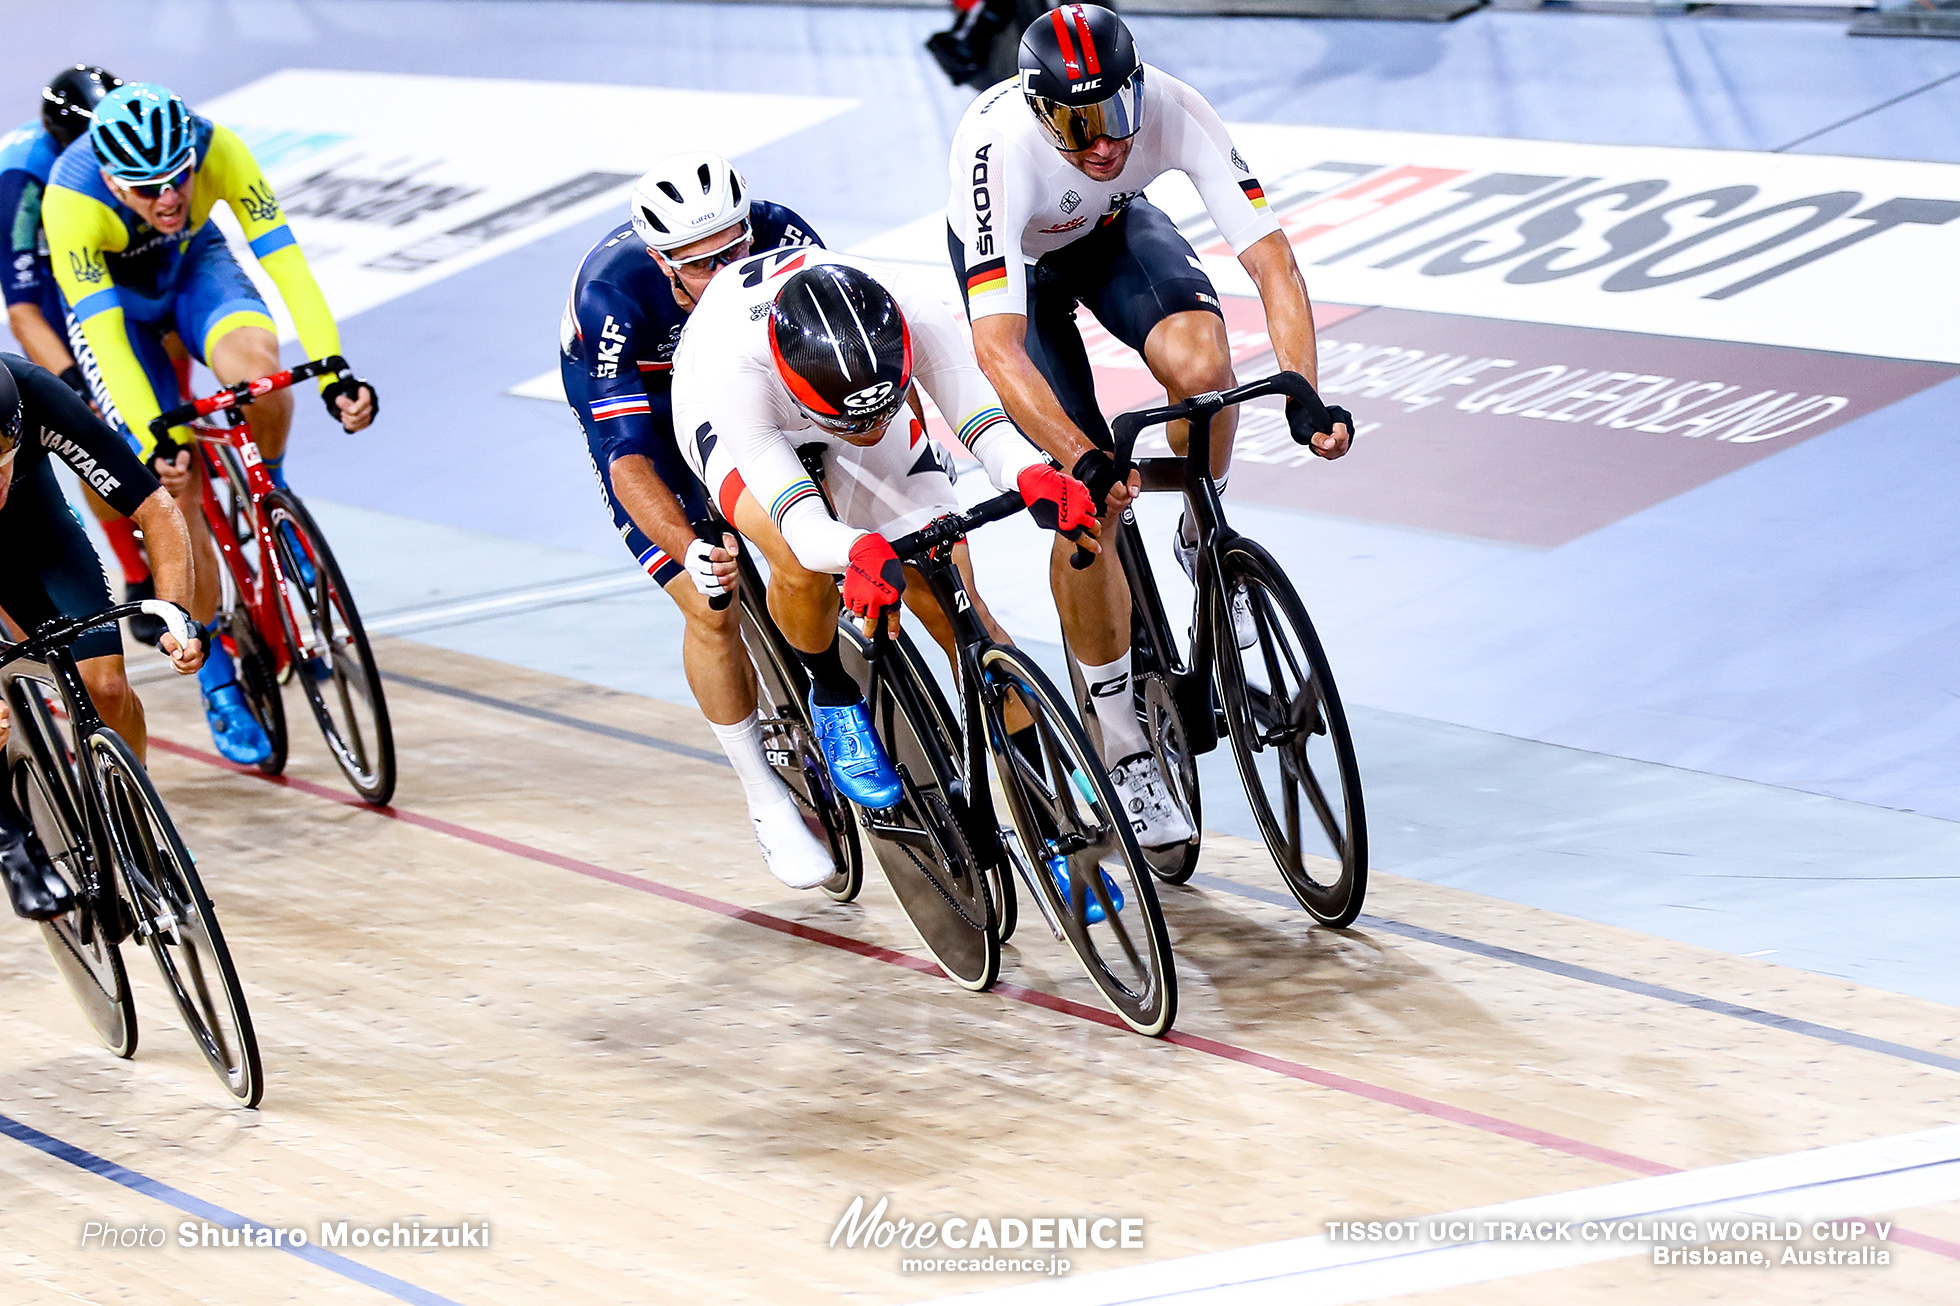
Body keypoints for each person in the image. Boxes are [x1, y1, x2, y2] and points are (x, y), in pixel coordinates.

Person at [671, 249, 1194, 851]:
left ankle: (1047, 816)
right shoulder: (733, 375)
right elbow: (804, 524)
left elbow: (982, 421)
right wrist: (858, 548)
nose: (867, 429)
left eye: (882, 409)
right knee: (795, 560)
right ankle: (831, 690)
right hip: (738, 420)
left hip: (851, 389)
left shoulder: (911, 308)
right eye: (853, 423)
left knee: (957, 603)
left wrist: (1032, 474)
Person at [947, 4, 1354, 670]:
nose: (1104, 145)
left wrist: (1304, 391)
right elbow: (997, 347)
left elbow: (1271, 258)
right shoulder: (998, 150)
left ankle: (1202, 533)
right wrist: (1082, 457)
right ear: (1043, 115)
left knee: (1202, 367)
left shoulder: (1173, 104)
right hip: (1021, 269)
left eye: (1115, 116)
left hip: (1111, 233)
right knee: (1086, 509)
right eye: (1079, 127)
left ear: (1137, 88)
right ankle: (1117, 732)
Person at [41, 82, 376, 766]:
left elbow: (286, 264)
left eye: (177, 179)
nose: (167, 198)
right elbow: (104, 338)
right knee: (177, 485)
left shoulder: (219, 147)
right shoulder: (70, 202)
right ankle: (217, 673)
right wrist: (153, 433)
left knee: (259, 374)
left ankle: (271, 495)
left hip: (197, 271)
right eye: (145, 188)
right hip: (121, 317)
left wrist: (334, 366)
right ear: (109, 179)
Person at [559, 151, 839, 890]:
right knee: (712, 603)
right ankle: (763, 794)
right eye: (701, 265)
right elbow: (628, 461)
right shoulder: (612, 297)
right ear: (662, 262)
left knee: (825, 527)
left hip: (747, 376)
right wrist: (688, 548)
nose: (725, 271)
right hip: (647, 407)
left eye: (735, 251)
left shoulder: (784, 236)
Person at [0, 352, 203, 920]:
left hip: (37, 528)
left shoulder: (38, 395)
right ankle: (17, 850)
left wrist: (175, 614)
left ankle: (137, 819)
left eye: (0, 457)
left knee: (107, 688)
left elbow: (156, 511)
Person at [0, 66, 168, 644]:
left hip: (119, 263)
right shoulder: (22, 178)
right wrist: (74, 385)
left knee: (164, 379)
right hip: (54, 281)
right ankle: (135, 568)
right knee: (89, 424)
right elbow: (24, 313)